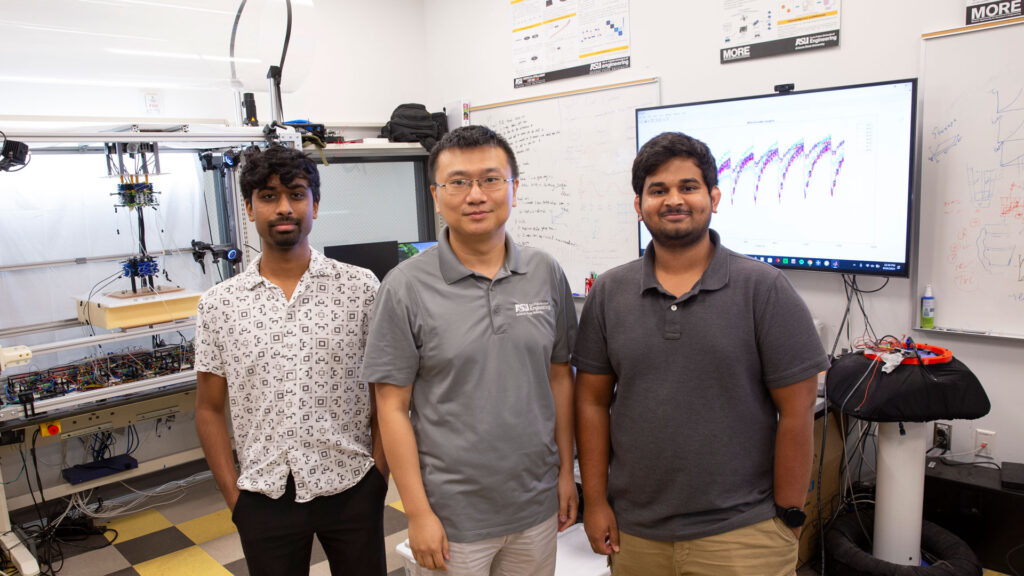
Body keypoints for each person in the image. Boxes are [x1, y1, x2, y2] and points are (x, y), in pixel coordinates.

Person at [573, 132, 829, 576]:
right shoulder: (610, 292)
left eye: (688, 187)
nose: (674, 200)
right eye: (658, 190)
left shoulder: (763, 288)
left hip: (743, 534)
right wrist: (595, 503)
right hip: (637, 535)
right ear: (639, 206)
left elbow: (799, 410)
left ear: (713, 196)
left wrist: (788, 515)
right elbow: (591, 402)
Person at [363, 125, 578, 575]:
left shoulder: (545, 272)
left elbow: (559, 377)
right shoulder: (404, 287)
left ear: (514, 188)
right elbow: (392, 406)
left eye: (491, 179)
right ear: (436, 195)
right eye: (458, 182)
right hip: (450, 517)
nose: (476, 195)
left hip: (535, 507)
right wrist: (417, 513)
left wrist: (563, 476)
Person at [194, 144, 388, 576]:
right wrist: (234, 498)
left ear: (315, 204)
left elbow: (385, 394)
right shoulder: (219, 305)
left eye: (296, 194)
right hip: (263, 495)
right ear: (249, 208)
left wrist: (379, 473)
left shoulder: (360, 288)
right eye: (268, 196)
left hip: (352, 484)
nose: (284, 207)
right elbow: (208, 409)